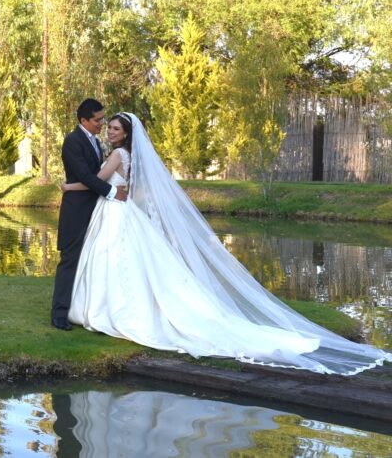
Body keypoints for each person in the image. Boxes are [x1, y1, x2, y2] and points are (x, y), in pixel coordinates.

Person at [59, 112, 390, 375]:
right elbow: (124, 187)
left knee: (113, 260)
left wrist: (67, 187)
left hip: (115, 213)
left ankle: (109, 311)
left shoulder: (117, 154)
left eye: (115, 127)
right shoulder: (129, 155)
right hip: (121, 210)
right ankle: (112, 307)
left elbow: (95, 182)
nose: (111, 131)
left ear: (126, 134)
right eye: (109, 126)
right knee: (124, 262)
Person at [50, 98, 127, 331]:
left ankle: (85, 308)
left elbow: (97, 175)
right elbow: (86, 176)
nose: (102, 123)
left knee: (92, 261)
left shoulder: (95, 142)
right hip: (77, 210)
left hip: (97, 210)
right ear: (83, 120)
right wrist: (113, 192)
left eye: (103, 119)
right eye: (98, 120)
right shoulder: (72, 141)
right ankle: (59, 314)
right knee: (70, 260)